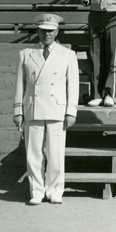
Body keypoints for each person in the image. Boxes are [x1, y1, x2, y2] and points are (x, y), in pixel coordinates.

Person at [13, 14, 79, 205]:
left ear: (57, 31)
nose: (46, 35)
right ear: (37, 32)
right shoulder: (25, 54)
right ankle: (36, 191)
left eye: (50, 31)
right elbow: (19, 85)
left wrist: (71, 111)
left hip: (57, 110)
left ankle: (55, 190)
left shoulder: (67, 54)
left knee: (56, 154)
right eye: (43, 31)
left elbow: (73, 86)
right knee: (34, 153)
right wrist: (18, 111)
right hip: (33, 109)